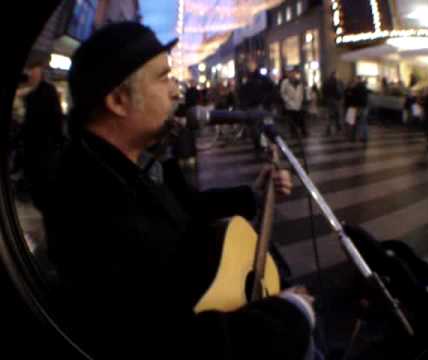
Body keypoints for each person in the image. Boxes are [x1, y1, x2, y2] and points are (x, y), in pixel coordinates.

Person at [44, 22, 317, 360]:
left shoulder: (131, 162)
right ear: (117, 100)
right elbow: (162, 341)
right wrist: (289, 314)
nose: (176, 91)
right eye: (163, 78)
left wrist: (254, 195)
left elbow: (183, 207)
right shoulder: (87, 202)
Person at [19, 52, 64, 211]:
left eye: (34, 69)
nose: (30, 72)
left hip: (44, 145)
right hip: (29, 143)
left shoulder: (48, 91)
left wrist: (55, 143)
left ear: (41, 70)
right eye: (29, 68)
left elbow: (56, 120)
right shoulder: (28, 92)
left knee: (38, 177)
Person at [238, 58, 276, 154]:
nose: (250, 66)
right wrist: (243, 105)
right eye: (249, 64)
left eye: (252, 64)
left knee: (266, 127)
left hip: (262, 107)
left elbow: (272, 89)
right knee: (255, 129)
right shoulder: (246, 78)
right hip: (251, 107)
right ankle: (258, 146)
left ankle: (269, 146)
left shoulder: (262, 78)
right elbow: (242, 92)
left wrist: (266, 102)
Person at [281, 67, 307, 137]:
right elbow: (282, 93)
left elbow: (301, 91)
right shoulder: (285, 82)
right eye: (290, 73)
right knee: (292, 119)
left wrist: (301, 100)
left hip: (298, 103)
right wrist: (287, 100)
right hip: (290, 104)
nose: (292, 74)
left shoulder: (298, 82)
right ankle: (293, 133)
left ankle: (303, 131)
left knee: (300, 118)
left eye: (293, 73)